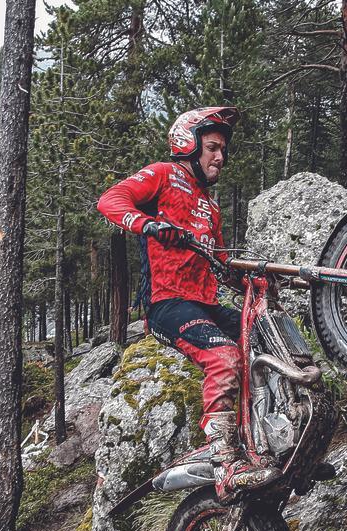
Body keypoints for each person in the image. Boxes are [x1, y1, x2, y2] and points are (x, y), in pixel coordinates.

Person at [96, 106, 281, 500]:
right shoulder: (163, 174)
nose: (220, 157)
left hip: (206, 303)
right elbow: (110, 201)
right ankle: (224, 458)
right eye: (212, 147)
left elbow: (218, 263)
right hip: (168, 304)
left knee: (270, 339)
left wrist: (247, 276)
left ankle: (268, 438)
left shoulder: (211, 206)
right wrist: (150, 224)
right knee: (225, 357)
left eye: (223, 150)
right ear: (188, 144)